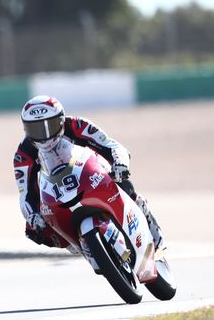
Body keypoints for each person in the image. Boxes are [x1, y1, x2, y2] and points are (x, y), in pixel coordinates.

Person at [13, 95, 164, 251]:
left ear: (61, 121)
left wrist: (120, 164)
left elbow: (111, 145)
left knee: (124, 185)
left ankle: (148, 221)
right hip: (56, 191)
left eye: (49, 126)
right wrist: (32, 216)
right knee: (35, 231)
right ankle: (80, 244)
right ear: (25, 129)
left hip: (89, 174)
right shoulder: (23, 154)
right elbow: (25, 194)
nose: (44, 135)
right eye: (36, 129)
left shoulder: (77, 124)